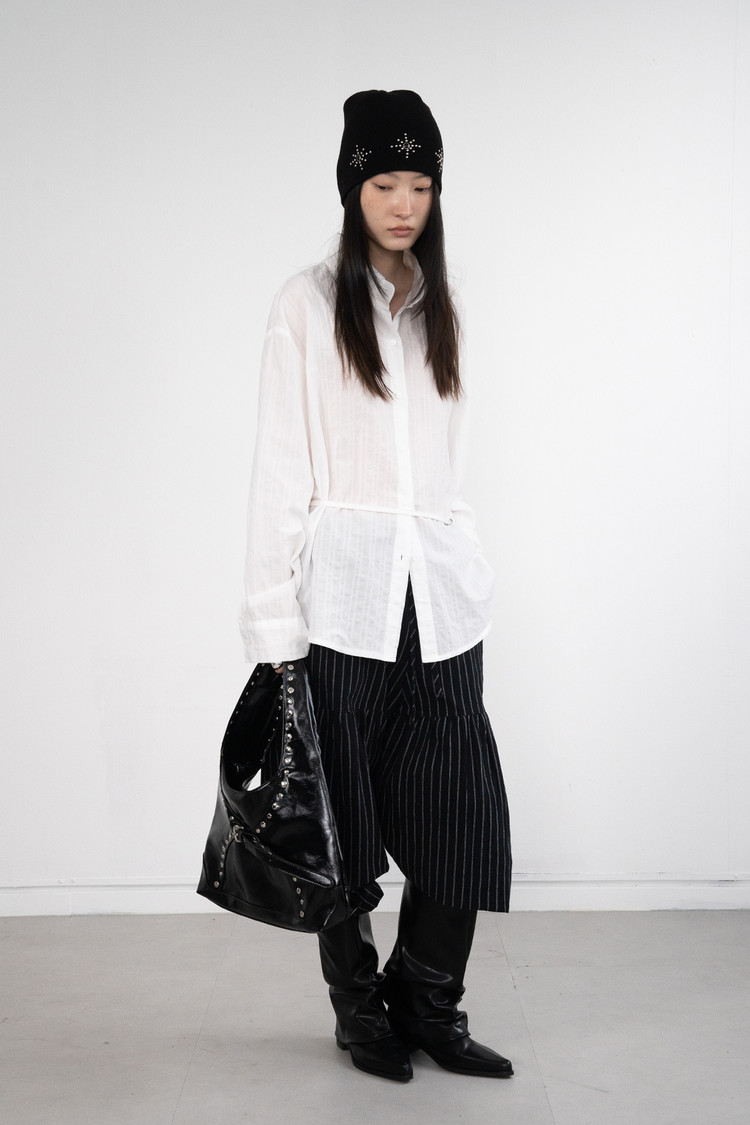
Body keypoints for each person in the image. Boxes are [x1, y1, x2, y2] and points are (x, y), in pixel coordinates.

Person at [240, 90, 512, 1082]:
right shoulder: (306, 305)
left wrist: (467, 563)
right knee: (344, 831)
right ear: (352, 188)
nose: (404, 204)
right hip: (343, 611)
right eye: (386, 182)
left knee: (461, 820)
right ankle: (362, 1014)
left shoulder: (446, 306)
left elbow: (452, 465)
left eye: (421, 185)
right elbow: (281, 472)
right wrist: (273, 625)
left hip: (440, 608)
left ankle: (429, 1004)